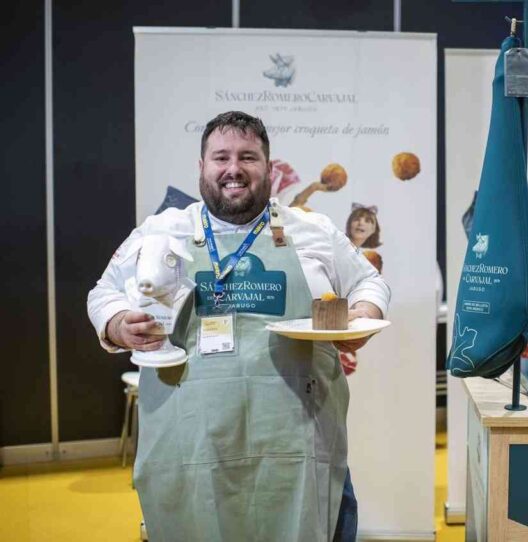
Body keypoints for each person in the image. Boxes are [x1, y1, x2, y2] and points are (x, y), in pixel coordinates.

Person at [87, 111, 390, 542]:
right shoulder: (162, 231)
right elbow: (103, 292)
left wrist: (365, 312)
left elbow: (369, 282)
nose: (234, 169)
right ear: (202, 167)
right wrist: (117, 323)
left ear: (269, 167)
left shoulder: (313, 230)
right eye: (221, 157)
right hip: (191, 444)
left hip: (298, 444)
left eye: (248, 157)